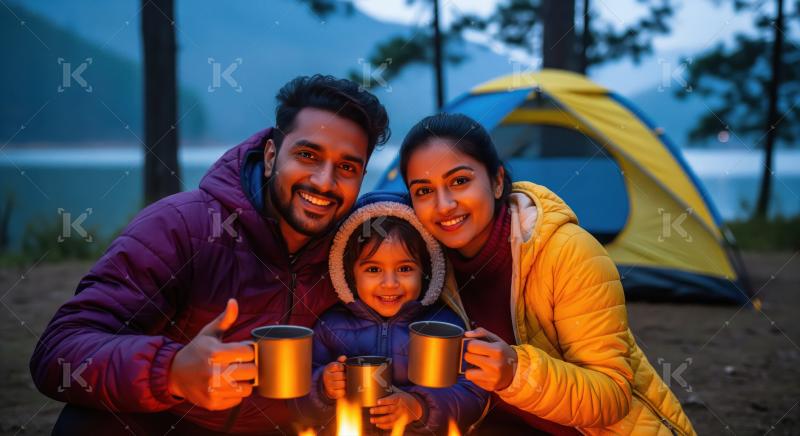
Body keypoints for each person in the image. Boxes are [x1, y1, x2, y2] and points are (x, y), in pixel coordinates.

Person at [29, 75, 390, 434]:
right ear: (270, 156)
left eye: (347, 167)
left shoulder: (356, 253)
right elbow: (59, 351)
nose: (324, 182)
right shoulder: (181, 227)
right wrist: (172, 371)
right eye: (308, 155)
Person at [397, 113, 697, 435]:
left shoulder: (568, 253)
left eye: (459, 181)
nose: (444, 205)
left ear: (497, 181)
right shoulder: (425, 268)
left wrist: (515, 371)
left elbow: (613, 396)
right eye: (424, 191)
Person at [291, 192, 488, 435]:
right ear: (350, 274)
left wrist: (419, 407)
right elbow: (296, 395)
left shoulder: (445, 326)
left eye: (405, 268)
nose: (390, 283)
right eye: (373, 269)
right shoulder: (329, 326)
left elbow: (473, 393)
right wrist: (323, 387)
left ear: (427, 270)